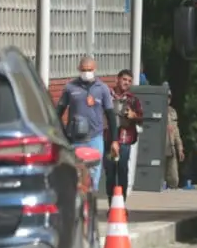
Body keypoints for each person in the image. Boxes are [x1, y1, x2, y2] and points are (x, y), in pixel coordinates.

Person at [55, 56, 116, 191]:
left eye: (89, 70)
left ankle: (92, 197)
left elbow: (110, 115)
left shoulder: (102, 89)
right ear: (78, 69)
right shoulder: (70, 87)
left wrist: (114, 140)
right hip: (75, 139)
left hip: (95, 138)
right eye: (83, 70)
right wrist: (64, 133)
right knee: (75, 175)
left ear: (95, 69)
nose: (86, 72)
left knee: (94, 174)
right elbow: (58, 113)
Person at [106, 69, 143, 198]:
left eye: (129, 81)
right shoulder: (107, 96)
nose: (126, 83)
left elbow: (142, 118)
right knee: (110, 171)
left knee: (122, 169)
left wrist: (134, 116)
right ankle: (111, 202)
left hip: (125, 139)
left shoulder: (133, 100)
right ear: (117, 79)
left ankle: (122, 201)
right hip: (108, 138)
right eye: (124, 79)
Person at [164, 102, 185, 190]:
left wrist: (180, 149)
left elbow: (176, 133)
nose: (168, 99)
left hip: (170, 147)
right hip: (160, 147)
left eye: (169, 97)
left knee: (174, 178)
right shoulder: (157, 108)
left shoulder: (172, 112)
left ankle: (172, 189)